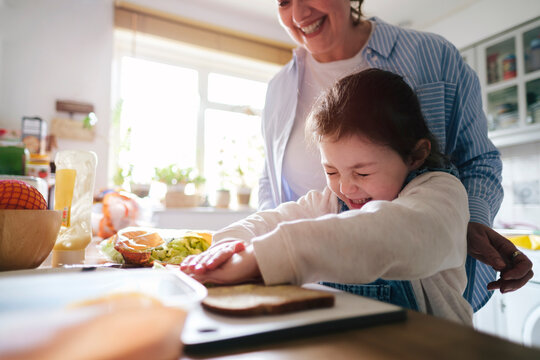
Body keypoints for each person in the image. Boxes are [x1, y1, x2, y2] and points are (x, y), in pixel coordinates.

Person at [257, 0, 532, 311]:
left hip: (422, 294)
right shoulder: (278, 88)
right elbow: (269, 179)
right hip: (311, 300)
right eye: (283, 1)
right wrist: (260, 251)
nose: (298, 14)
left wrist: (466, 223)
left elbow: (477, 160)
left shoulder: (432, 56)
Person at [182, 68, 473, 324]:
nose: (346, 188)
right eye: (332, 171)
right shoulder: (329, 203)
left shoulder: (441, 194)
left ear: (415, 155)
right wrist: (232, 243)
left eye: (362, 173)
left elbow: (391, 233)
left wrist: (263, 256)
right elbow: (270, 221)